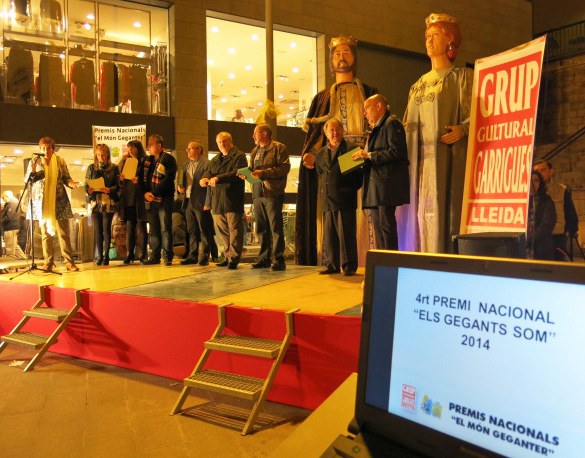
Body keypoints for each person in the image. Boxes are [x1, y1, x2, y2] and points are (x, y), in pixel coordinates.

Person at [296, 35, 378, 266]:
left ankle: (362, 259)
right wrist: (312, 153)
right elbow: (316, 135)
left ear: (355, 57)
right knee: (332, 218)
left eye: (346, 52)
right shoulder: (322, 98)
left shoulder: (369, 91)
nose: (341, 57)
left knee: (358, 213)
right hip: (333, 160)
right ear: (331, 60)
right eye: (337, 54)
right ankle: (332, 260)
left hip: (361, 156)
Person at [398, 13, 473, 253]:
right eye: (427, 36)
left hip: (446, 158)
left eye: (436, 35)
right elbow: (406, 124)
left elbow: (475, 116)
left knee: (443, 208)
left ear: (450, 40)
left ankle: (444, 255)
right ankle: (417, 254)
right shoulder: (417, 85)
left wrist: (463, 129)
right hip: (418, 161)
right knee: (418, 211)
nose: (429, 40)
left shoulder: (461, 77)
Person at [352, 94, 410, 250]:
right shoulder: (376, 129)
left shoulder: (392, 124)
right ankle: (382, 260)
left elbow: (396, 152)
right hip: (375, 187)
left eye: (367, 108)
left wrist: (369, 155)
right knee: (379, 230)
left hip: (386, 187)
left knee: (386, 228)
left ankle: (391, 261)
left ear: (379, 106)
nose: (364, 112)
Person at [314, 118, 362, 276]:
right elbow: (321, 174)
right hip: (327, 200)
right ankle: (332, 264)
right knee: (330, 236)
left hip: (345, 200)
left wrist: (347, 190)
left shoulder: (352, 149)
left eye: (337, 129)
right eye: (331, 130)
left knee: (346, 235)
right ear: (326, 133)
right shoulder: (320, 153)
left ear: (342, 130)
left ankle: (349, 266)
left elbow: (359, 176)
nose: (335, 133)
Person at [24, 136, 80, 272]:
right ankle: (48, 262)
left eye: (48, 148)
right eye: (43, 148)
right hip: (42, 202)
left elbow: (66, 178)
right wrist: (32, 172)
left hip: (59, 201)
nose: (45, 150)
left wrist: (71, 184)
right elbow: (28, 180)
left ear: (53, 149)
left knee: (63, 233)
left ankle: (69, 262)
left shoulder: (60, 161)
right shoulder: (35, 161)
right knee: (45, 234)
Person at [200, 132, 248, 270]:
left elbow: (237, 173)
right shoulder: (215, 159)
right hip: (217, 199)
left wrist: (218, 178)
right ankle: (227, 256)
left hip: (232, 199)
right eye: (219, 142)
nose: (222, 144)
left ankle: (234, 258)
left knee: (234, 230)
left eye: (225, 141)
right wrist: (204, 178)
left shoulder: (240, 156)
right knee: (223, 231)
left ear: (231, 141)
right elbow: (209, 172)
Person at [247, 124, 291, 271]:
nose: (253, 136)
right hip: (257, 193)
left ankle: (278, 259)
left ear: (264, 133)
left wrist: (264, 173)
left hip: (272, 193)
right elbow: (253, 171)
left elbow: (284, 168)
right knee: (261, 228)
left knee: (275, 228)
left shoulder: (279, 148)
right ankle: (263, 258)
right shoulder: (254, 150)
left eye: (255, 133)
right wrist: (247, 174)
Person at [178, 140, 218, 266]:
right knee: (191, 230)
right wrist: (179, 187)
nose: (188, 151)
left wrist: (208, 202)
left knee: (204, 230)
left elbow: (210, 185)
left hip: (201, 201)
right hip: (188, 200)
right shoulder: (185, 165)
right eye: (188, 149)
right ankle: (192, 255)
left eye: (190, 148)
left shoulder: (207, 163)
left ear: (199, 150)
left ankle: (205, 256)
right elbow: (182, 181)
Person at [533, 160, 578, 260]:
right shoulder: (531, 192)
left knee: (556, 266)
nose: (540, 173)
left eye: (543, 170)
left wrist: (571, 231)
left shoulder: (562, 190)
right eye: (537, 171)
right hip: (537, 240)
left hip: (556, 238)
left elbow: (570, 213)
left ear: (550, 171)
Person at [143, 134, 178, 266]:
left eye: (151, 144)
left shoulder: (168, 159)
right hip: (150, 200)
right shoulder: (148, 160)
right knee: (154, 229)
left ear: (159, 145)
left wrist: (154, 193)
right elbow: (143, 179)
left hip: (164, 199)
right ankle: (155, 256)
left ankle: (167, 256)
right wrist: (146, 194)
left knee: (165, 228)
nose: (148, 146)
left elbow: (168, 179)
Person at [85, 144, 120, 265]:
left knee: (106, 230)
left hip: (107, 202)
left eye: (103, 155)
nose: (101, 157)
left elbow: (118, 186)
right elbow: (86, 183)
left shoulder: (114, 168)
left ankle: (106, 256)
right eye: (99, 155)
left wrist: (109, 189)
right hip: (95, 202)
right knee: (98, 230)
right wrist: (89, 190)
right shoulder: (92, 168)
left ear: (108, 155)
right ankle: (99, 256)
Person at [117, 140, 148, 264]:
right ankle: (130, 254)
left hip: (140, 198)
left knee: (142, 227)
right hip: (128, 198)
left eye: (133, 148)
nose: (130, 150)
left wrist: (139, 180)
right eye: (129, 148)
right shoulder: (125, 161)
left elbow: (147, 178)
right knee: (130, 227)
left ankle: (143, 253)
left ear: (138, 148)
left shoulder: (144, 161)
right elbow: (119, 181)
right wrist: (121, 179)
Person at [527, 171, 556, 260]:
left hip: (541, 249)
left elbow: (547, 224)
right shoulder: (521, 200)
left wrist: (530, 239)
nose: (532, 183)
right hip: (522, 248)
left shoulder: (546, 201)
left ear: (540, 183)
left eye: (535, 180)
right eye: (529, 180)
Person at [1, 190, 26, 259]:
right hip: (13, 227)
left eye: (3, 198)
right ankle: (23, 258)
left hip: (10, 227)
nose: (3, 200)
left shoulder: (12, 203)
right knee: (14, 246)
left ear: (7, 196)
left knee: (9, 247)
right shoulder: (14, 203)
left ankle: (10, 263)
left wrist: (1, 220)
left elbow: (9, 216)